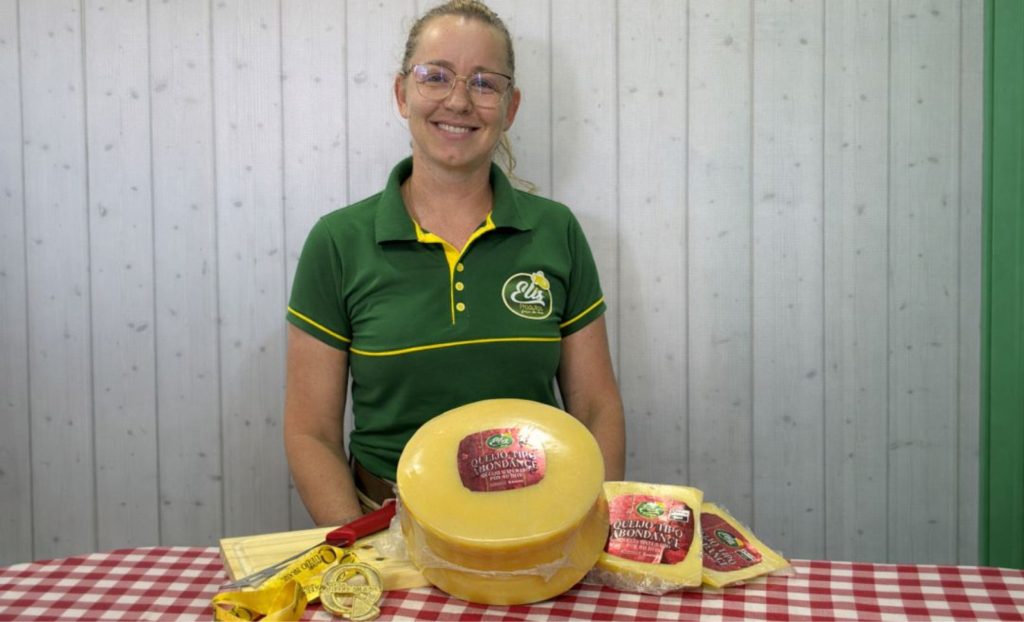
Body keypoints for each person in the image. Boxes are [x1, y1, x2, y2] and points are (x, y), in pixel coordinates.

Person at [284, 0, 625, 527]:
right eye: (435, 77)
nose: (459, 101)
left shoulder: (557, 231)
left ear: (511, 108)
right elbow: (311, 432)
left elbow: (597, 407)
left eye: (485, 83)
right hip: (388, 526)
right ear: (402, 94)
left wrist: (586, 526)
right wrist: (358, 548)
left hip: (540, 521)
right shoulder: (337, 242)